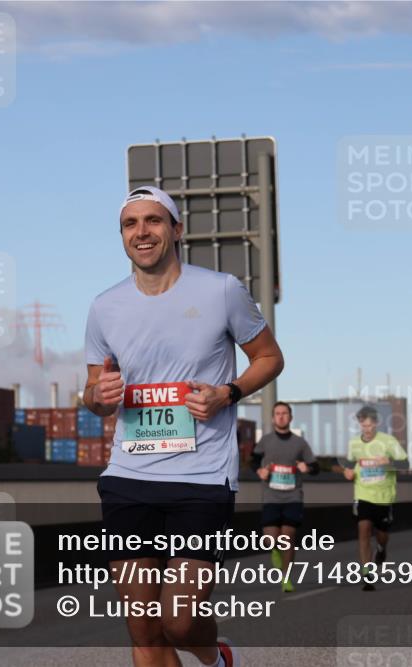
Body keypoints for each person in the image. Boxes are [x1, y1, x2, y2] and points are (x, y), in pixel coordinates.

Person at [85, 185, 284, 667]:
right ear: (122, 237)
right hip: (129, 477)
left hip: (201, 478)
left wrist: (227, 392)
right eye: (130, 224)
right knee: (144, 630)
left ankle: (215, 659)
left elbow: (269, 358)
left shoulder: (221, 290)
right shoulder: (104, 307)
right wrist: (97, 398)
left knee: (177, 620)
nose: (142, 232)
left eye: (153, 221)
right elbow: (94, 394)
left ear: (176, 229)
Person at [337, 405, 408, 592]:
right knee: (364, 529)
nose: (367, 429)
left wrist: (389, 462)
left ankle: (382, 549)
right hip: (363, 494)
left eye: (370, 425)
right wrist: (348, 472)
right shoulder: (354, 443)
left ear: (376, 423)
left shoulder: (388, 441)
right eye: (363, 425)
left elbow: (405, 464)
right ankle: (367, 574)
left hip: (384, 496)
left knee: (382, 534)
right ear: (359, 423)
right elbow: (350, 465)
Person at [252, 401, 319, 593]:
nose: (281, 416)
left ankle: (286, 577)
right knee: (271, 539)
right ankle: (274, 551)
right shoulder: (265, 441)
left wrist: (308, 468)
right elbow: (253, 461)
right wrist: (259, 470)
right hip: (271, 496)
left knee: (288, 537)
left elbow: (315, 467)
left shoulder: (300, 443)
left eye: (285, 413)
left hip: (293, 496)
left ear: (290, 417)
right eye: (278, 413)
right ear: (273, 418)